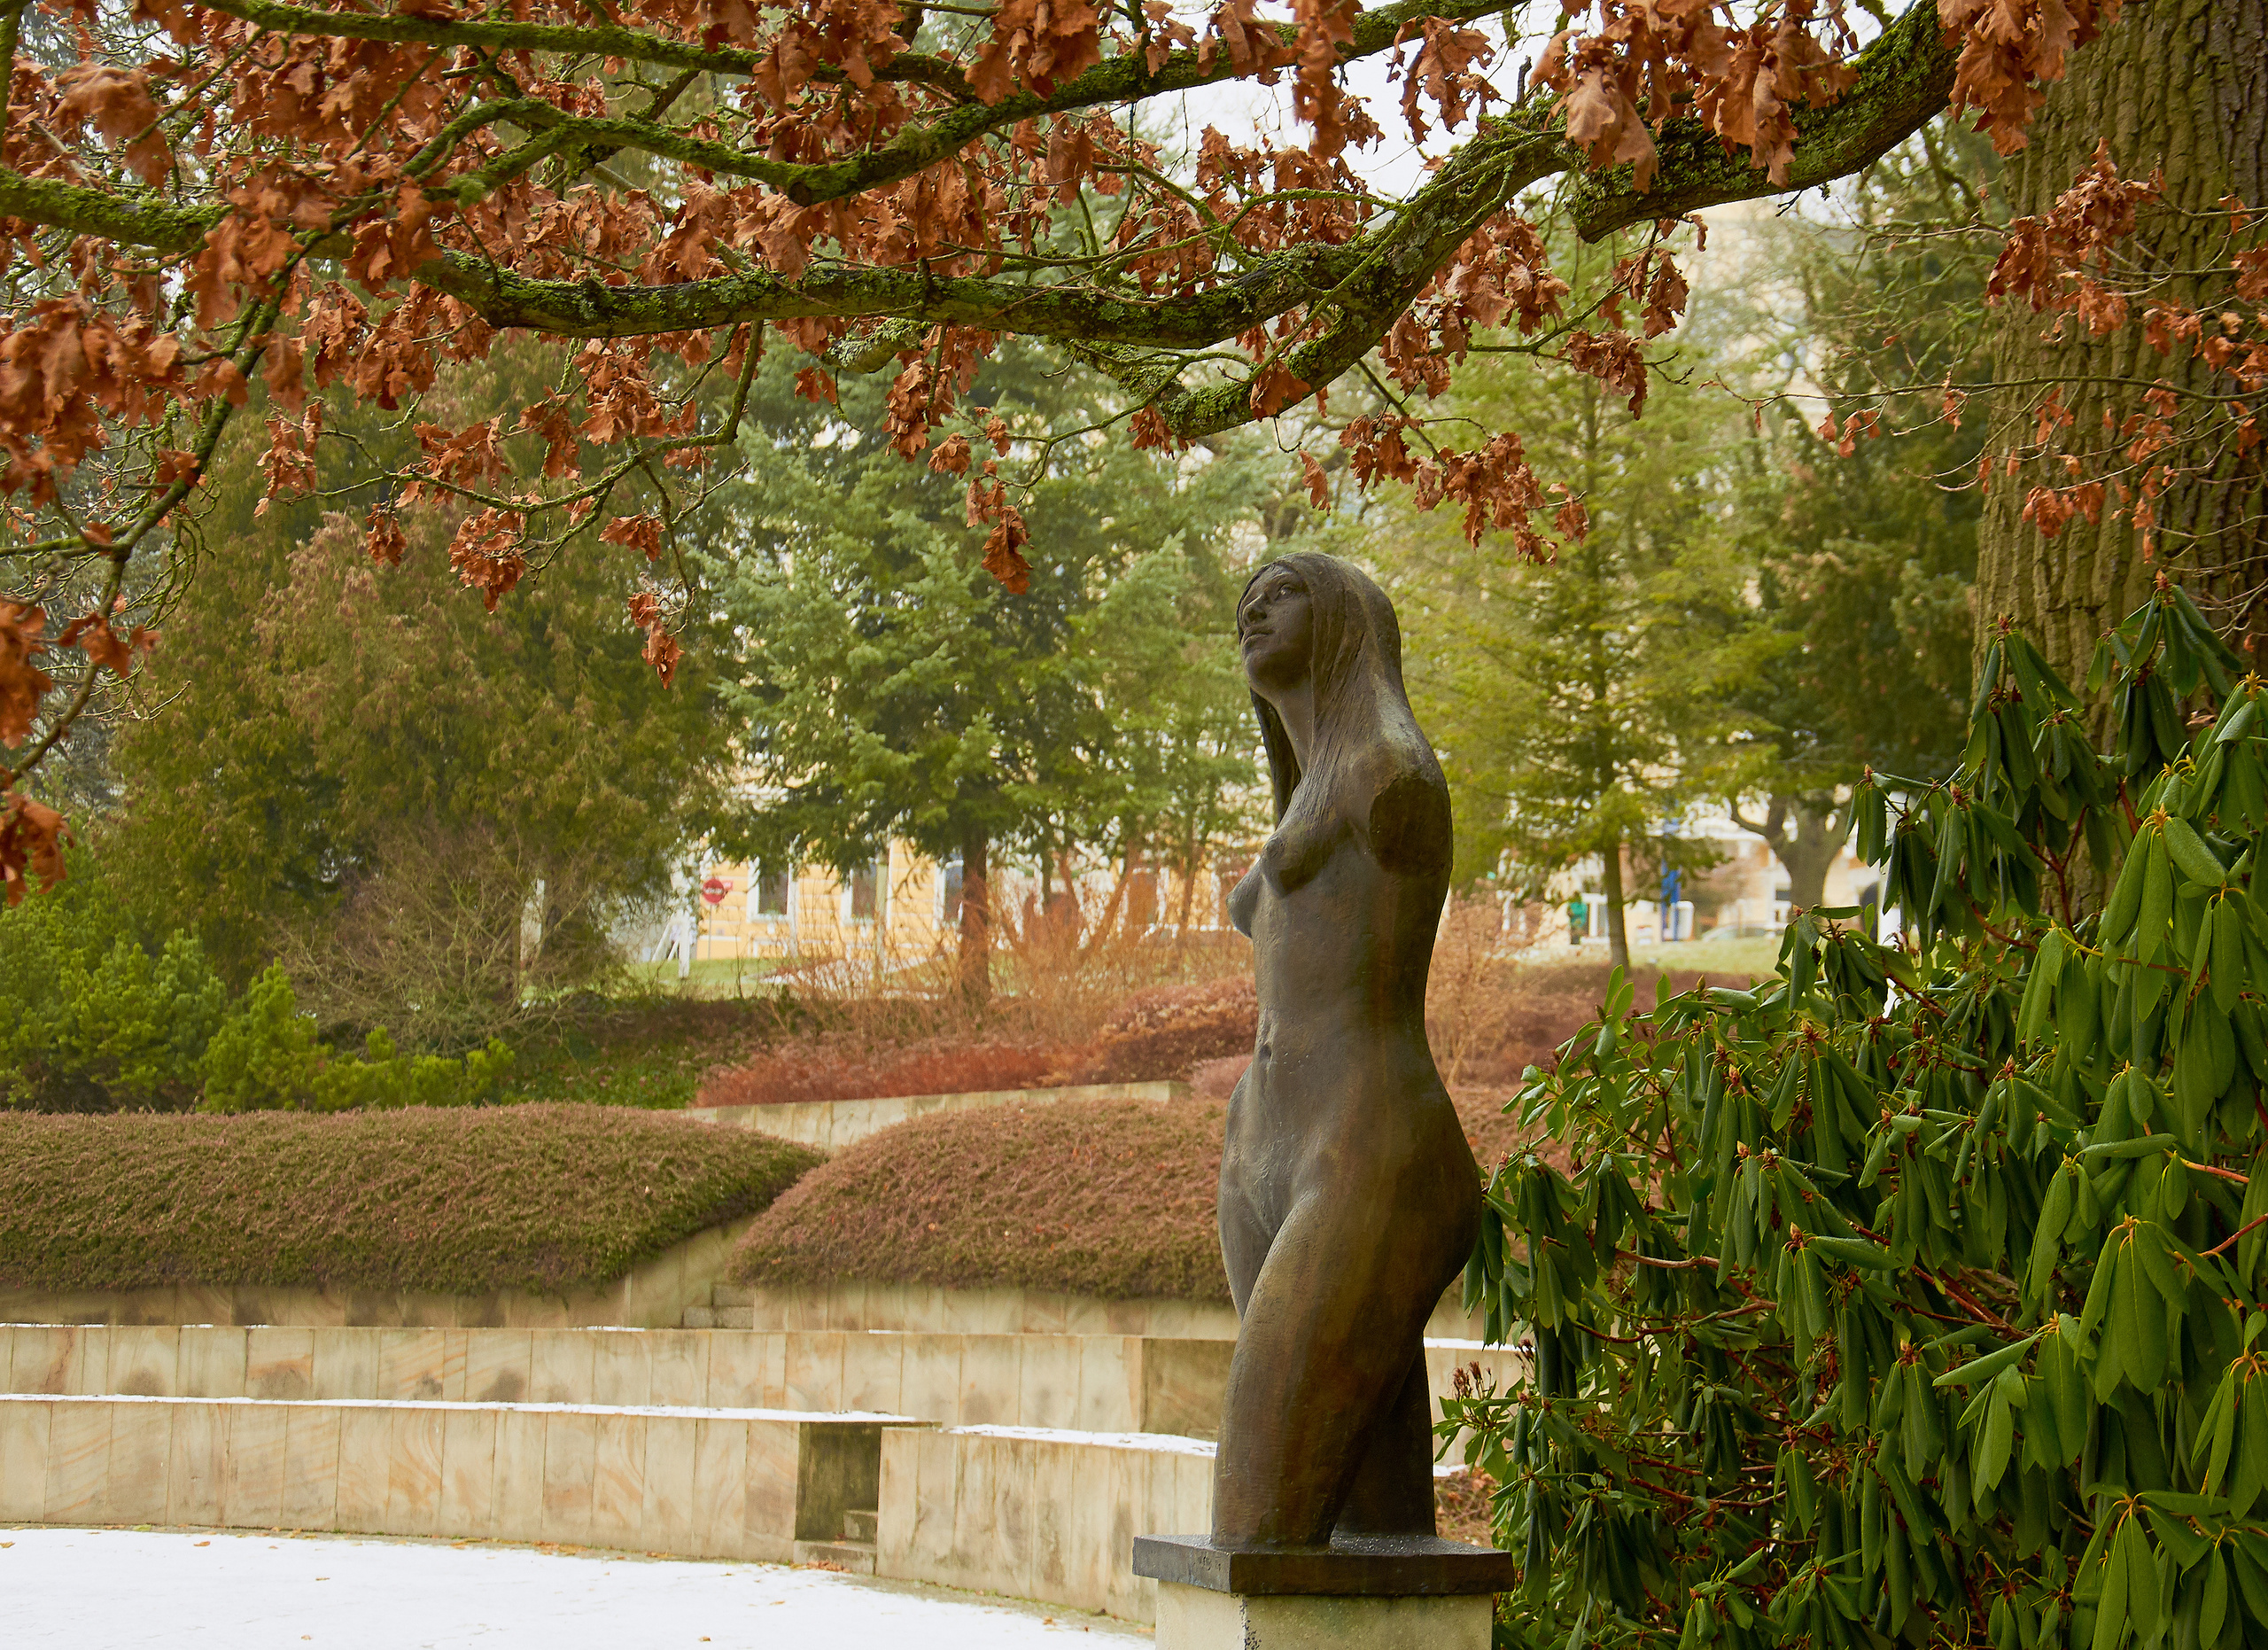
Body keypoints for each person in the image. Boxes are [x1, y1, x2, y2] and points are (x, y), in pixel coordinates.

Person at [1213, 551, 1480, 1549]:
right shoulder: (1305, 793)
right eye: (1245, 601)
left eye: (1279, 592)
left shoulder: (1389, 773)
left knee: (1256, 1521)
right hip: (1264, 1149)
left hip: (1370, 1148)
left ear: (1344, 619)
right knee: (1380, 1529)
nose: (1252, 610)